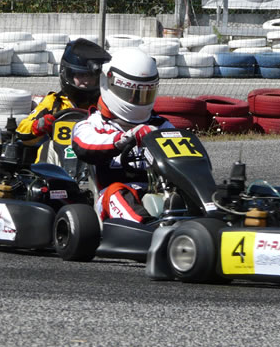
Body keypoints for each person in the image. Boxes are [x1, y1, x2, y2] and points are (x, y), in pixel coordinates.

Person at [72, 47, 173, 223]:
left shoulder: (161, 126)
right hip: (111, 199)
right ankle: (148, 228)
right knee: (117, 192)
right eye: (131, 94)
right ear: (107, 84)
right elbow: (85, 145)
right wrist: (125, 139)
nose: (139, 100)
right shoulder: (91, 125)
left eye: (145, 94)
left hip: (159, 193)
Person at [16, 38, 111, 146]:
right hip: (56, 157)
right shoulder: (55, 102)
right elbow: (22, 130)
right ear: (69, 75)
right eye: (80, 75)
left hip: (91, 156)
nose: (85, 81)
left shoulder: (104, 104)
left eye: (90, 76)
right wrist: (41, 124)